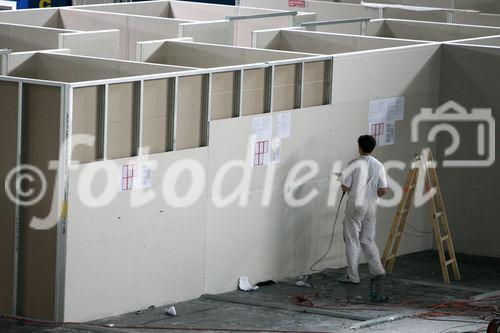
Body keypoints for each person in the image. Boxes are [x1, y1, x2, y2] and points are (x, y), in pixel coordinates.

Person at [338, 135, 388, 285]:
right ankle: (378, 270)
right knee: (367, 240)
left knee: (352, 240)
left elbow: (345, 187)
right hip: (371, 206)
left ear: (359, 147)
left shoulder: (354, 164)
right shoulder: (379, 165)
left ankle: (353, 277)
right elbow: (383, 189)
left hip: (355, 205)